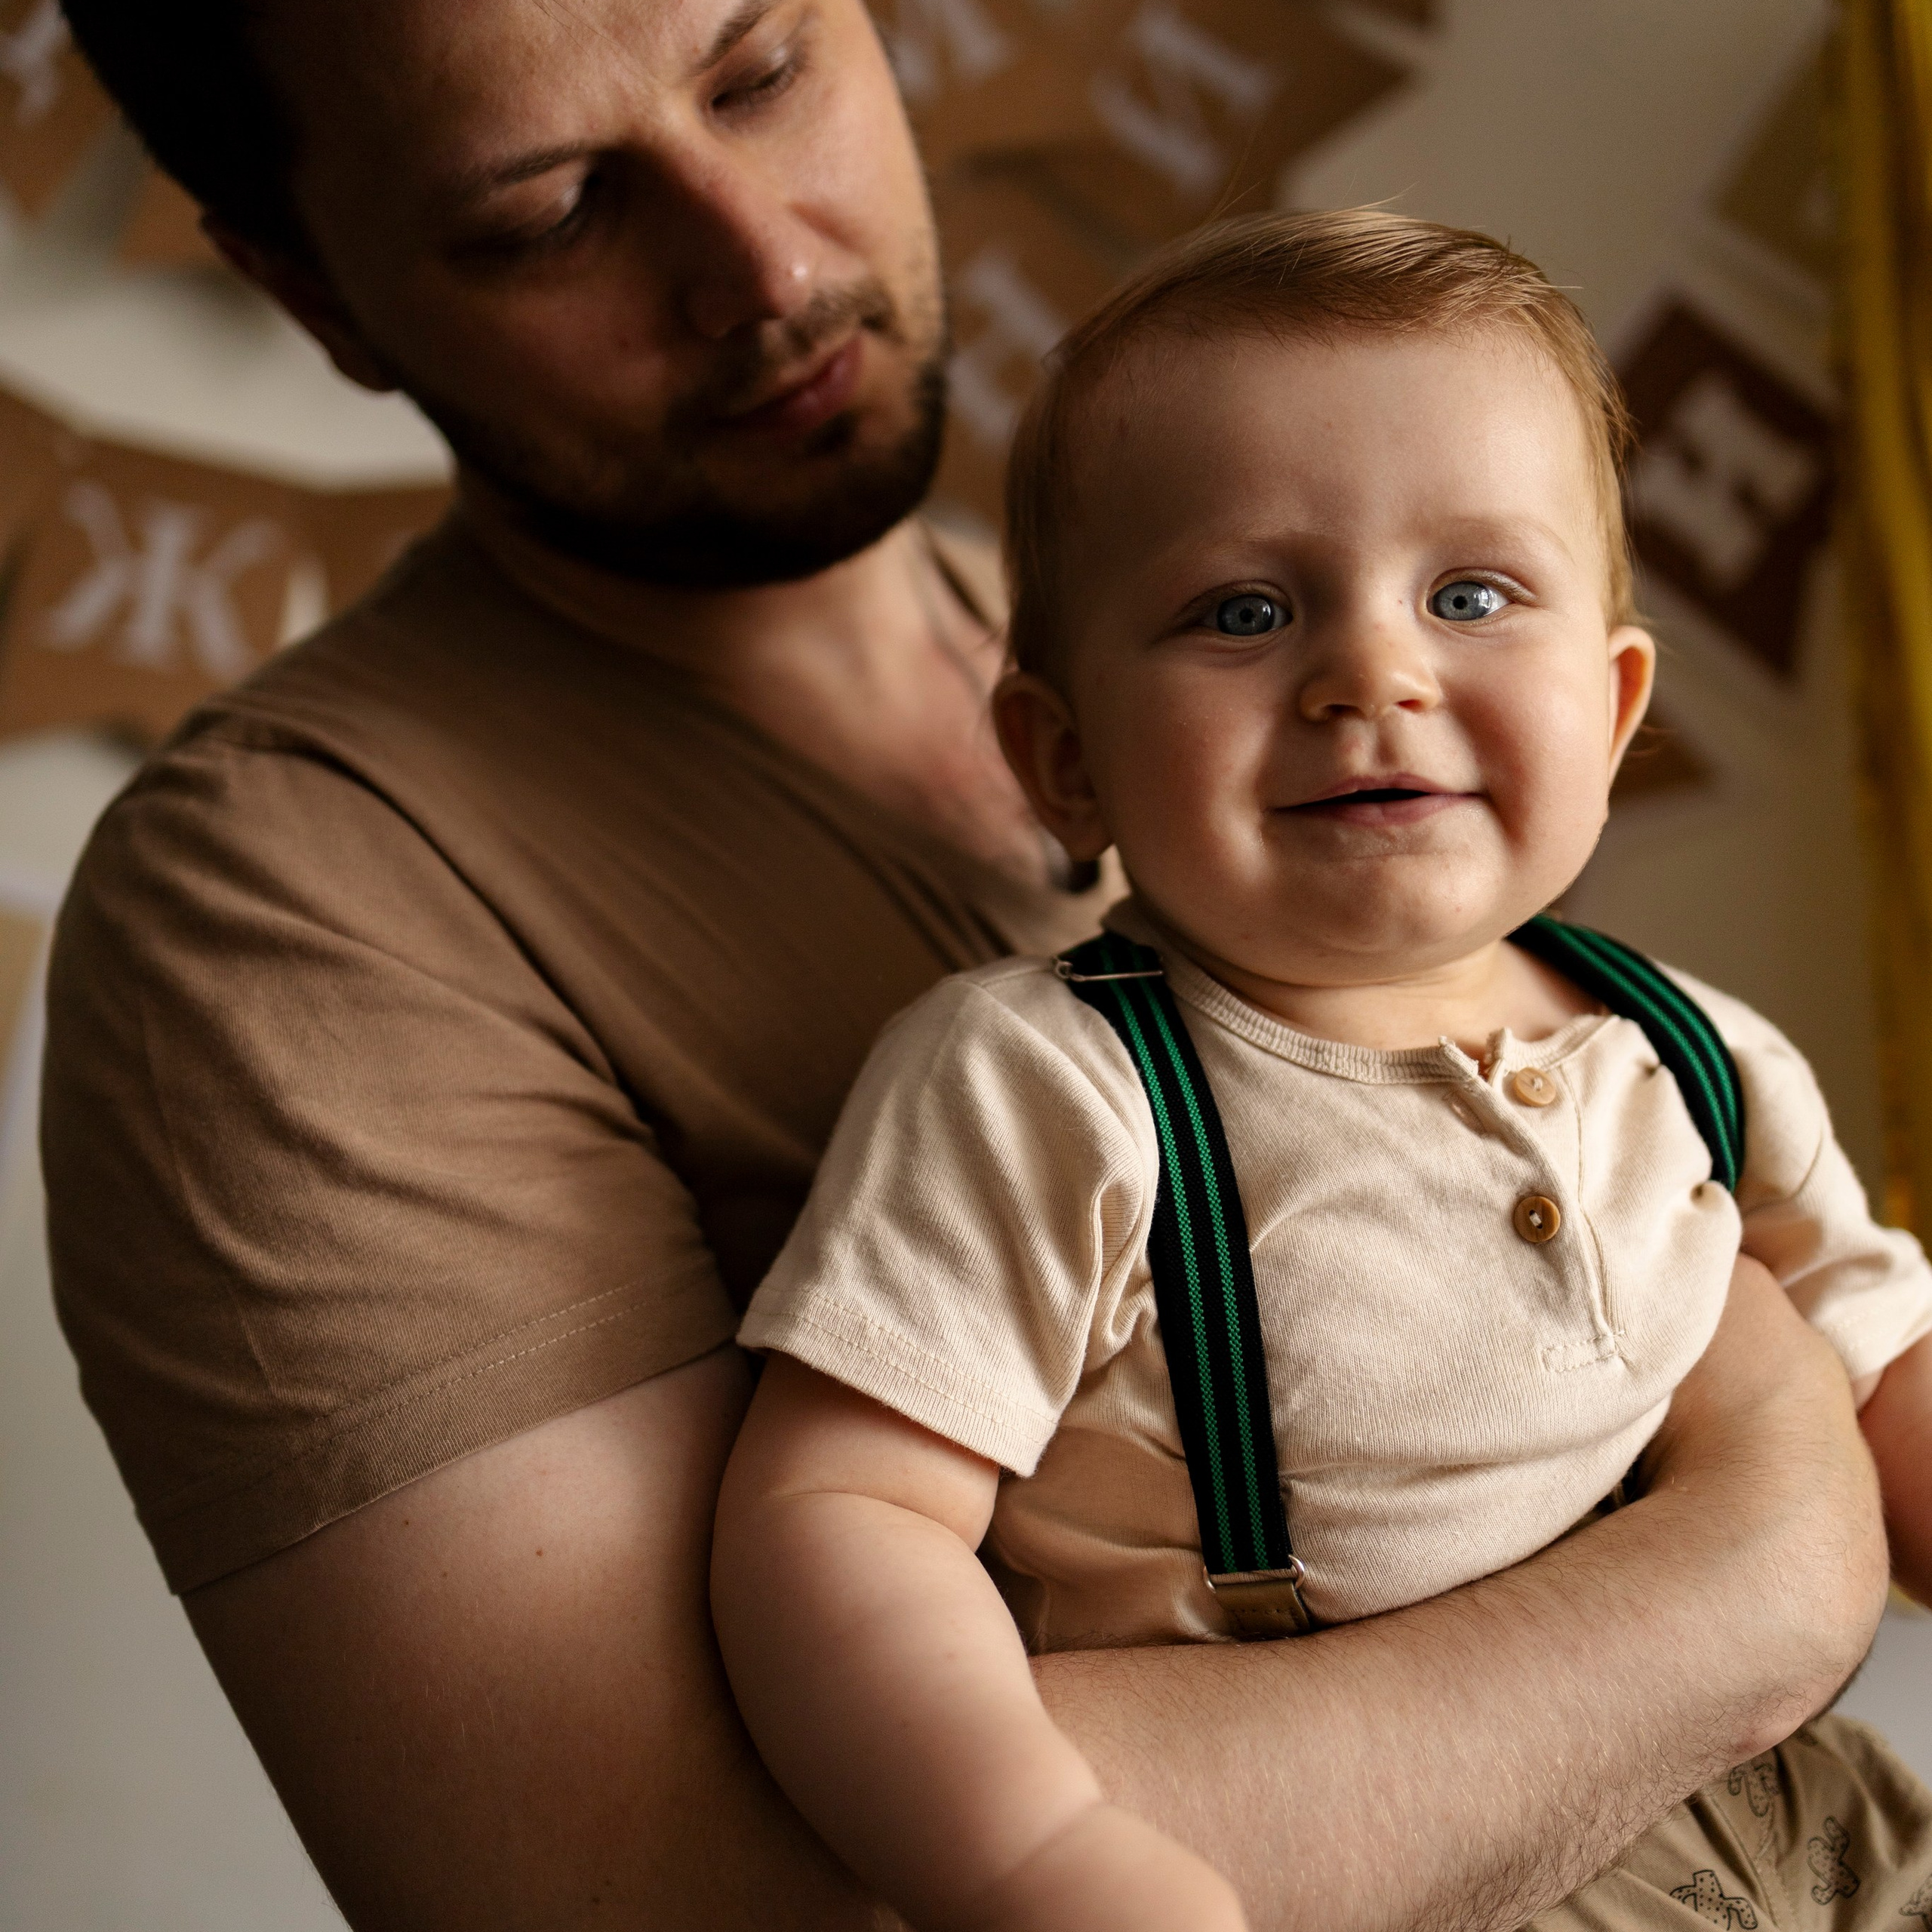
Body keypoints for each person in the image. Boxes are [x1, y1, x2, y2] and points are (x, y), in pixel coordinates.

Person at [34, 0, 1902, 1924]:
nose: (761, 267)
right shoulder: (289, 909)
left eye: (761, 74)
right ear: (311, 289)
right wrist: (1761, 1563)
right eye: (550, 212)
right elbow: (658, 1891)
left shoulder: (1162, 647)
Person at [713, 211, 1932, 1932]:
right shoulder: (1046, 1089)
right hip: (1407, 1856)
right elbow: (843, 1512)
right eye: (1245, 609)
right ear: (1065, 759)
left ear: (1608, 710)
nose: (1373, 671)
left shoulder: (1690, 1049)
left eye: (1471, 595)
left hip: (1805, 1805)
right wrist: (1022, 1849)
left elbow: (1879, 1361)